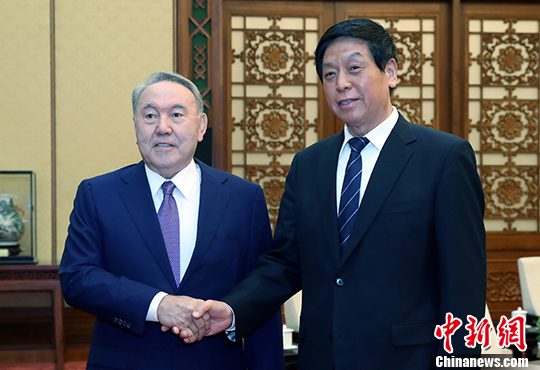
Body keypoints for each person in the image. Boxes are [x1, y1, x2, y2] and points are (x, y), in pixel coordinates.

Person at [191, 18, 487, 369]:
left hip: (410, 359)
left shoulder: (444, 157)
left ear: (390, 72)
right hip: (323, 358)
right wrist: (234, 309)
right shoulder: (309, 164)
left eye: (354, 68)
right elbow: (287, 262)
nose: (342, 84)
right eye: (329, 75)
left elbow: (463, 282)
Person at [59, 71, 284, 370]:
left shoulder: (243, 198)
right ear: (136, 126)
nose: (162, 128)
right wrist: (158, 305)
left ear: (201, 126)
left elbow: (261, 293)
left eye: (177, 115)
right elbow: (77, 278)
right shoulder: (98, 193)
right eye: (150, 116)